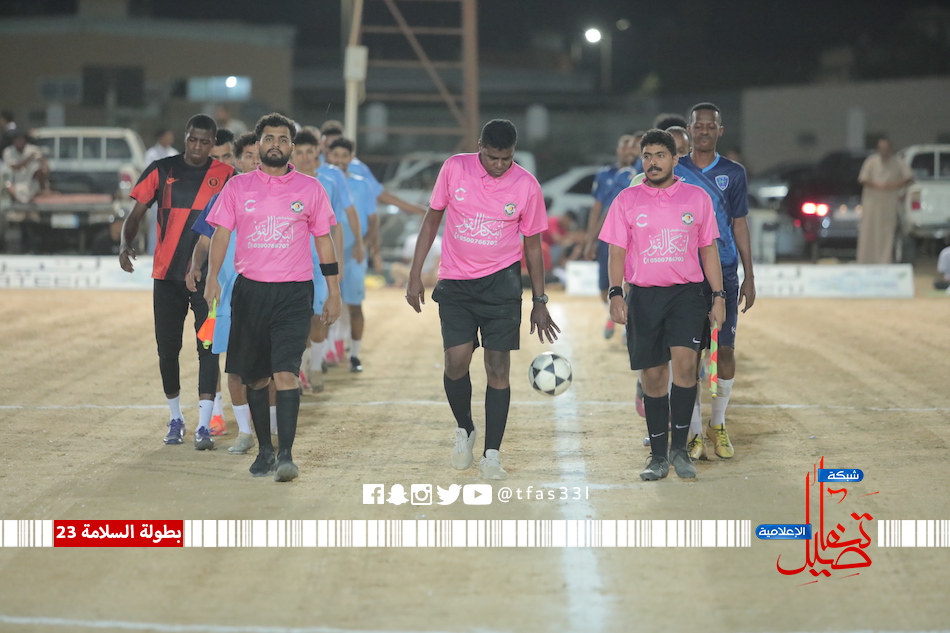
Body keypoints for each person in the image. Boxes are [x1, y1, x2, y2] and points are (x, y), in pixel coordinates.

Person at [406, 119, 559, 480]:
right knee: (455, 361)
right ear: (480, 147)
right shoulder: (454, 168)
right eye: (493, 158)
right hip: (456, 283)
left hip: (502, 285)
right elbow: (432, 220)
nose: (500, 165)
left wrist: (539, 299)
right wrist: (415, 272)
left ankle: (492, 454)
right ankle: (465, 428)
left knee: (498, 368)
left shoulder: (527, 185)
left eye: (507, 158)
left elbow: (533, 245)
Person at [205, 112, 341, 482]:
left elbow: (324, 241)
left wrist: (333, 291)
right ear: (259, 143)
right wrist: (212, 278)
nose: (276, 145)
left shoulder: (311, 189)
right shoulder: (238, 188)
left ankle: (286, 455)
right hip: (250, 292)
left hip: (294, 293)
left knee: (285, 373)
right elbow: (220, 234)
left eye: (283, 139)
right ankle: (264, 449)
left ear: (291, 146)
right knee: (256, 377)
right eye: (269, 138)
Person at [599, 128, 725, 481]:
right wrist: (615, 292)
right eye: (647, 156)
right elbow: (616, 251)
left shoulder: (697, 198)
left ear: (674, 159)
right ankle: (657, 457)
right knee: (653, 377)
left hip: (687, 295)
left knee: (685, 369)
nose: (652, 162)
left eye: (659, 156)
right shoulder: (627, 200)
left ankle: (680, 450)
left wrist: (718, 296)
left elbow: (708, 250)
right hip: (644, 296)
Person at [119, 114, 234, 449]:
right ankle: (175, 418)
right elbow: (136, 215)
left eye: (205, 141)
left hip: (207, 279)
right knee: (167, 350)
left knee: (208, 349)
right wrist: (125, 244)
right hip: (166, 277)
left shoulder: (228, 176)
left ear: (213, 143)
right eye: (192, 139)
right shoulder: (161, 169)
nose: (197, 146)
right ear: (185, 137)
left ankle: (204, 423)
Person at [677, 102, 756, 460]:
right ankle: (694, 431)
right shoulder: (675, 169)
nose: (704, 131)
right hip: (685, 273)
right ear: (689, 129)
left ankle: (717, 424)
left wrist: (749, 274)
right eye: (699, 125)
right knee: (689, 354)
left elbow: (739, 223)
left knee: (724, 351)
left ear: (720, 131)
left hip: (723, 271)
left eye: (711, 126)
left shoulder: (734, 173)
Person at [187, 131, 261, 454]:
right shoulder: (224, 197)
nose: (254, 162)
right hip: (228, 293)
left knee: (264, 364)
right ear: (239, 161)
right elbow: (205, 240)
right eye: (248, 156)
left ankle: (268, 424)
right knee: (224, 358)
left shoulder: (280, 196)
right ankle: (229, 421)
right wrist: (197, 268)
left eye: (258, 156)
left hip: (268, 290)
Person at [290, 129, 353, 391]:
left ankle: (315, 366)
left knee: (319, 316)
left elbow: (335, 226)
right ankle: (300, 369)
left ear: (318, 151)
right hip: (292, 263)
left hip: (319, 263)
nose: (305, 157)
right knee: (298, 320)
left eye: (309, 151)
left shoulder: (328, 183)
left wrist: (338, 265)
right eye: (300, 152)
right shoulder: (285, 183)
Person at [327, 136, 376, 372]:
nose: (339, 160)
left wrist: (362, 244)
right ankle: (325, 351)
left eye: (344, 155)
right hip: (327, 253)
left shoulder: (362, 184)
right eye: (335, 155)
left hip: (353, 254)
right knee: (323, 304)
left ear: (351, 157)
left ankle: (355, 355)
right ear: (328, 156)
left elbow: (373, 220)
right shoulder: (322, 182)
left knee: (354, 305)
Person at [583, 134, 639, 340]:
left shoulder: (641, 173)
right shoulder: (607, 175)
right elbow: (599, 208)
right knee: (603, 285)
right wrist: (590, 239)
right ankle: (612, 311)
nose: (628, 151)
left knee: (629, 279)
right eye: (624, 146)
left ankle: (627, 322)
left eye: (632, 147)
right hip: (608, 234)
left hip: (634, 235)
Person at [857, 137, 913, 265]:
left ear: (890, 149)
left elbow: (908, 178)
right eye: (881, 148)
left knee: (887, 233)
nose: (884, 151)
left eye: (886, 148)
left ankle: (884, 262)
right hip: (872, 205)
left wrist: (893, 185)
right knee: (868, 232)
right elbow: (863, 179)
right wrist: (879, 186)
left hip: (889, 206)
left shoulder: (898, 162)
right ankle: (865, 261)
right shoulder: (871, 161)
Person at [143, 128, 180, 256]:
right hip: (157, 197)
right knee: (155, 228)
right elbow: (149, 174)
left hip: (172, 196)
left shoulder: (174, 153)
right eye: (168, 135)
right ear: (161, 137)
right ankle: (152, 255)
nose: (171, 138)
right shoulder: (151, 154)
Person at [1, 130, 49, 203]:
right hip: (14, 181)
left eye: (21, 139)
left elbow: (42, 160)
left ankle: (43, 190)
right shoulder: (8, 151)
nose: (19, 142)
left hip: (30, 181)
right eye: (17, 139)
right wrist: (28, 160)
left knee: (38, 167)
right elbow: (16, 167)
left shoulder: (33, 149)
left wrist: (44, 167)